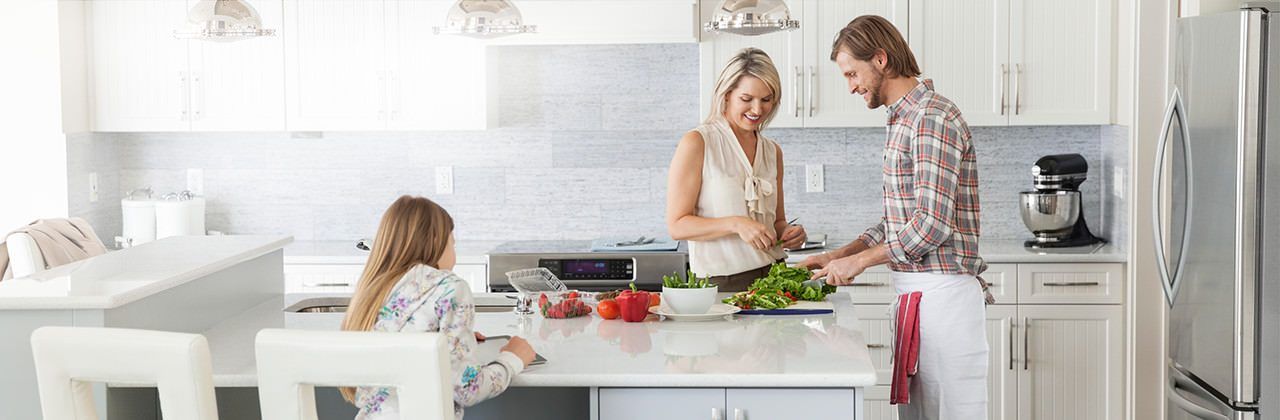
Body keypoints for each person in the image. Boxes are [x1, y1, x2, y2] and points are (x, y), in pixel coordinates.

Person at [799, 15, 990, 419]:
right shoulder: (903, 119)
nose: (851, 86)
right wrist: (839, 255)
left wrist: (860, 262)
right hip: (918, 297)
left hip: (945, 301)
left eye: (852, 73)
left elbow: (930, 226)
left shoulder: (931, 118)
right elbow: (897, 223)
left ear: (881, 59)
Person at [340, 195, 536, 419]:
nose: (454, 253)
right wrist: (512, 359)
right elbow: (467, 390)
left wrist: (453, 339)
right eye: (452, 243)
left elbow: (400, 336)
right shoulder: (450, 287)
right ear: (436, 241)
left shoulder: (373, 288)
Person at [666, 47, 807, 291]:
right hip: (722, 283)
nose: (757, 109)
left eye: (766, 100)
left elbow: (777, 222)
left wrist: (790, 233)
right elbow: (677, 226)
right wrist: (736, 224)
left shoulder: (772, 151)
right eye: (746, 99)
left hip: (774, 276)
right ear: (727, 94)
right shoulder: (698, 142)